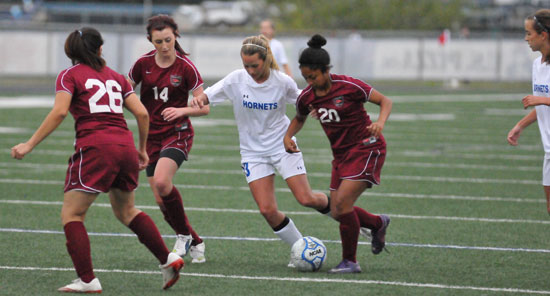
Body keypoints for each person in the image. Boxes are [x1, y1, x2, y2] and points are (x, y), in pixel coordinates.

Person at [10, 27, 184, 293]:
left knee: (72, 214)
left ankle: (88, 280)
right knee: (127, 211)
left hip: (96, 147)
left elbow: (59, 112)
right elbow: (142, 114)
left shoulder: (69, 75)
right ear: (101, 49)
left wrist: (29, 144)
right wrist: (141, 149)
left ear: (70, 53)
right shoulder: (117, 77)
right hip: (124, 145)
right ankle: (167, 258)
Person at [190, 34, 330, 266]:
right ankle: (301, 248)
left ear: (265, 60)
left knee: (306, 198)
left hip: (282, 145)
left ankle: (355, 219)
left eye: (254, 65)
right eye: (246, 65)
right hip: (252, 153)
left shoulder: (282, 81)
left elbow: (303, 101)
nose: (250, 70)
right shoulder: (236, 79)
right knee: (267, 210)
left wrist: (317, 108)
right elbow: (205, 97)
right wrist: (196, 101)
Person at [284, 34, 393, 274]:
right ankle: (377, 223)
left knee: (342, 206)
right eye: (305, 77)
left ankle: (350, 262)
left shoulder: (349, 86)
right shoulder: (307, 97)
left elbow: (385, 101)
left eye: (313, 76)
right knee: (336, 209)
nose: (309, 82)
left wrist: (380, 123)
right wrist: (287, 136)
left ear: (325, 71)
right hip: (342, 156)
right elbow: (299, 118)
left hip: (367, 147)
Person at [128, 14, 208, 263]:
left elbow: (204, 107)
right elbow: (125, 89)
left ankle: (182, 236)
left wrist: (184, 109)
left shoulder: (186, 67)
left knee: (163, 183)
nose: (164, 46)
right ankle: (195, 240)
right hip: (150, 137)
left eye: (168, 40)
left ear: (176, 36)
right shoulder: (143, 64)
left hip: (178, 133)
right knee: (161, 201)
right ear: (150, 41)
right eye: (158, 42)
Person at [507, 9, 550, 215]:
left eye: (529, 34)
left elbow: (542, 101)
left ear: (543, 35)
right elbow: (541, 107)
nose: (526, 39)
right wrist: (520, 125)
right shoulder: (537, 65)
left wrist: (542, 99)